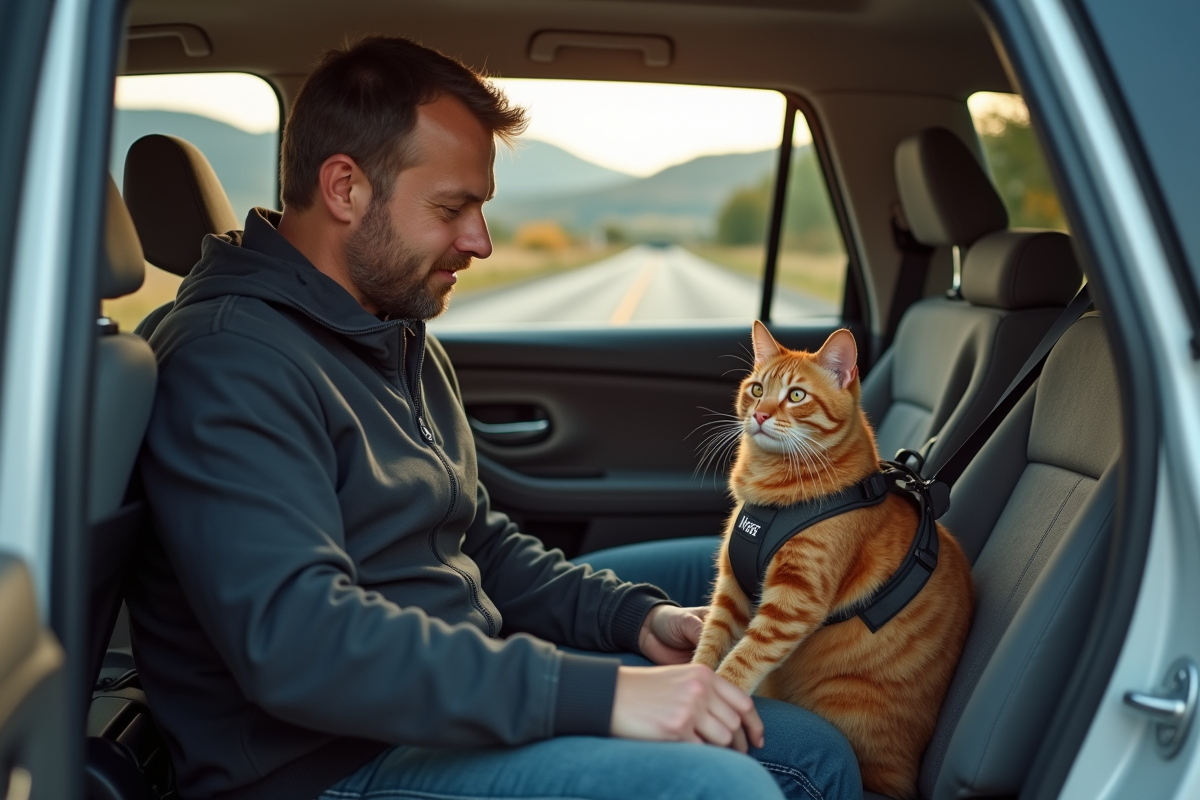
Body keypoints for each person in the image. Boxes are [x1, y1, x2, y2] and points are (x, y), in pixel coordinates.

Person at [128, 35, 862, 800]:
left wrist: (634, 623)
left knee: (809, 743)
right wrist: (603, 694)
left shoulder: (388, 328)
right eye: (453, 208)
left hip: (436, 702)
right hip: (330, 766)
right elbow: (300, 645)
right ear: (345, 189)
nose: (479, 240)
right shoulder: (230, 362)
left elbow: (470, 539)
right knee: (745, 780)